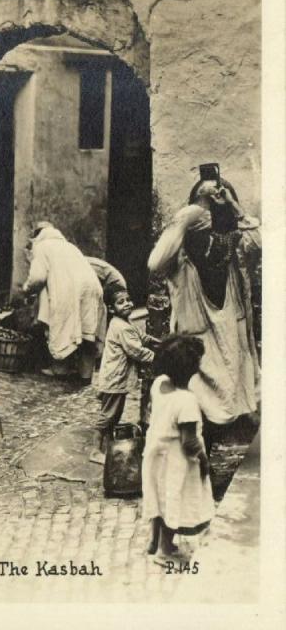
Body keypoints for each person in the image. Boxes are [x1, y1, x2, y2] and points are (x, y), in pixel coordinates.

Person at [148, 168, 261, 452]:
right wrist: (185, 219)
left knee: (221, 415)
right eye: (203, 199)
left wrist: (234, 207)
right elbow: (154, 263)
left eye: (216, 199)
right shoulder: (182, 254)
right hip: (194, 349)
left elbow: (260, 242)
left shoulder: (235, 246)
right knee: (193, 414)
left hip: (228, 346)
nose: (209, 206)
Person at [142, 335, 213, 559]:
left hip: (154, 453)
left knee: (157, 495)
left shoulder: (159, 383)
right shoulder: (186, 401)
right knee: (173, 498)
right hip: (175, 460)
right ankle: (165, 549)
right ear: (191, 370)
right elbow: (189, 442)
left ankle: (154, 538)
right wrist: (203, 460)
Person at [22, 222, 106, 381]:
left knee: (62, 326)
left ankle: (60, 370)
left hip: (69, 289)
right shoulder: (70, 247)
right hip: (92, 287)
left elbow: (37, 277)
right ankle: (85, 376)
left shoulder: (41, 247)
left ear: (37, 236)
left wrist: (26, 288)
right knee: (87, 332)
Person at [90, 287, 157, 464]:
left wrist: (153, 340)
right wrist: (159, 356)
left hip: (115, 378)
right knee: (107, 415)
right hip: (114, 379)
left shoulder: (123, 323)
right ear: (112, 309)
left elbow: (140, 336)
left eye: (128, 300)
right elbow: (136, 351)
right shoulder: (122, 327)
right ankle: (95, 450)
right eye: (121, 302)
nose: (127, 303)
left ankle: (108, 444)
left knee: (115, 413)